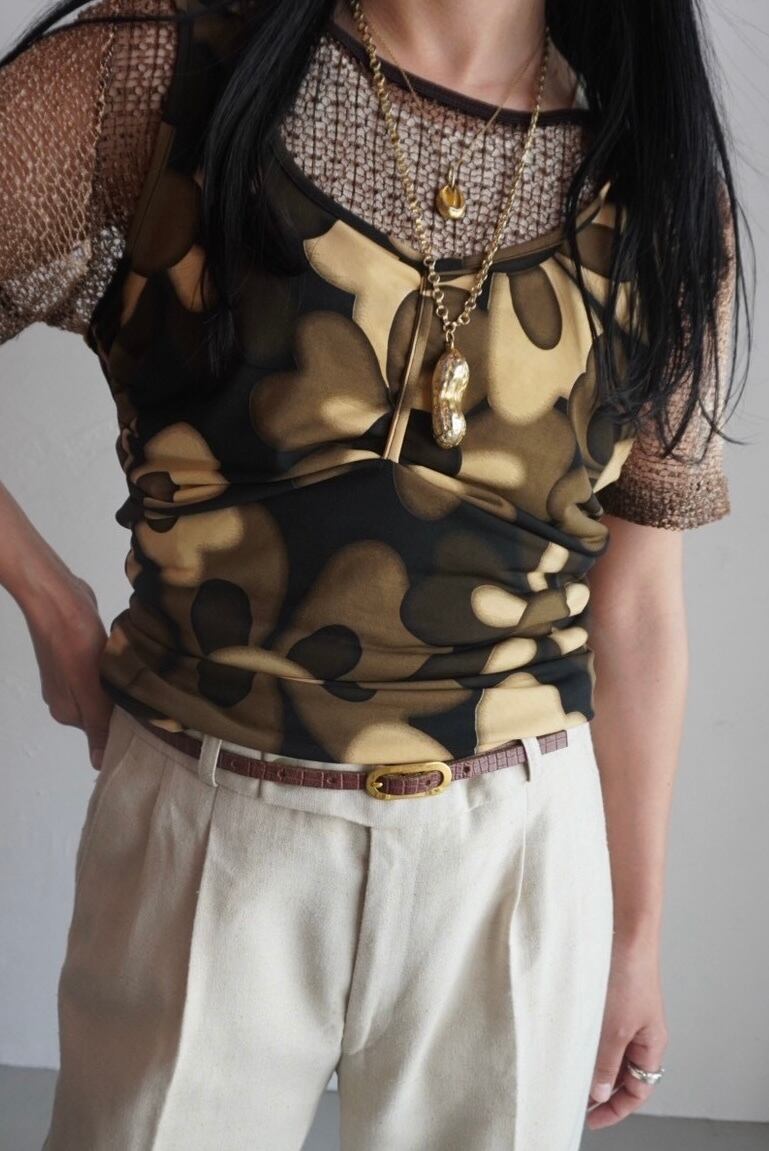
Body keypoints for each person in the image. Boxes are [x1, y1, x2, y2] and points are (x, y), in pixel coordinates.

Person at [0, 0, 750, 1148]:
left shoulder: (657, 175)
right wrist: (50, 604)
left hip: (516, 858)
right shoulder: (152, 73)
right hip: (206, 825)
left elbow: (640, 596)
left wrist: (635, 935)